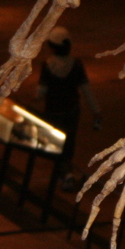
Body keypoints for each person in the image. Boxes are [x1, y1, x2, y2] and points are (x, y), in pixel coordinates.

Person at [37, 27, 102, 189]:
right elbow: (86, 89)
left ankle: (63, 173)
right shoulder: (76, 65)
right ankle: (66, 171)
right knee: (69, 142)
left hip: (53, 110)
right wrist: (96, 110)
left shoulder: (47, 65)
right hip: (72, 110)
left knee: (55, 144)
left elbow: (40, 92)